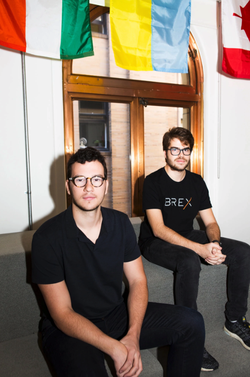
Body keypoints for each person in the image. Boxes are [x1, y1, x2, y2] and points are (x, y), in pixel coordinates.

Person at [32, 146, 205, 377]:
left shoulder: (121, 223)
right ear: (68, 186)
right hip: (69, 328)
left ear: (106, 184)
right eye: (80, 179)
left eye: (96, 179)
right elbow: (62, 313)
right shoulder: (47, 237)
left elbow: (137, 281)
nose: (89, 187)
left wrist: (132, 336)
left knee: (191, 322)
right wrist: (114, 347)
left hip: (115, 315)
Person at [138, 126, 250, 372]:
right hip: (155, 242)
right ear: (166, 152)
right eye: (175, 149)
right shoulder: (153, 181)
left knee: (243, 251)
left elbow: (210, 223)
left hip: (187, 233)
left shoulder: (196, 182)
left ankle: (234, 320)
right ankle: (190, 337)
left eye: (185, 149)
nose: (180, 155)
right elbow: (157, 228)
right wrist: (199, 250)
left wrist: (215, 245)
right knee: (189, 259)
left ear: (190, 152)